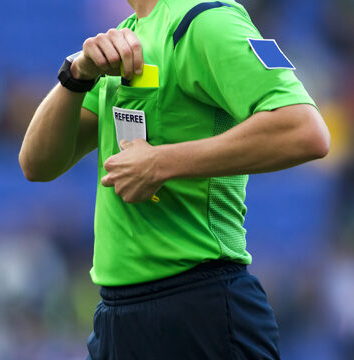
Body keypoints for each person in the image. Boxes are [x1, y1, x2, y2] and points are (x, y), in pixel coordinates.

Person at [19, 0, 330, 359]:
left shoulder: (206, 21)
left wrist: (160, 164)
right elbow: (37, 165)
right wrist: (76, 75)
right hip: (117, 317)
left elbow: (304, 130)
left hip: (198, 309)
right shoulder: (127, 34)